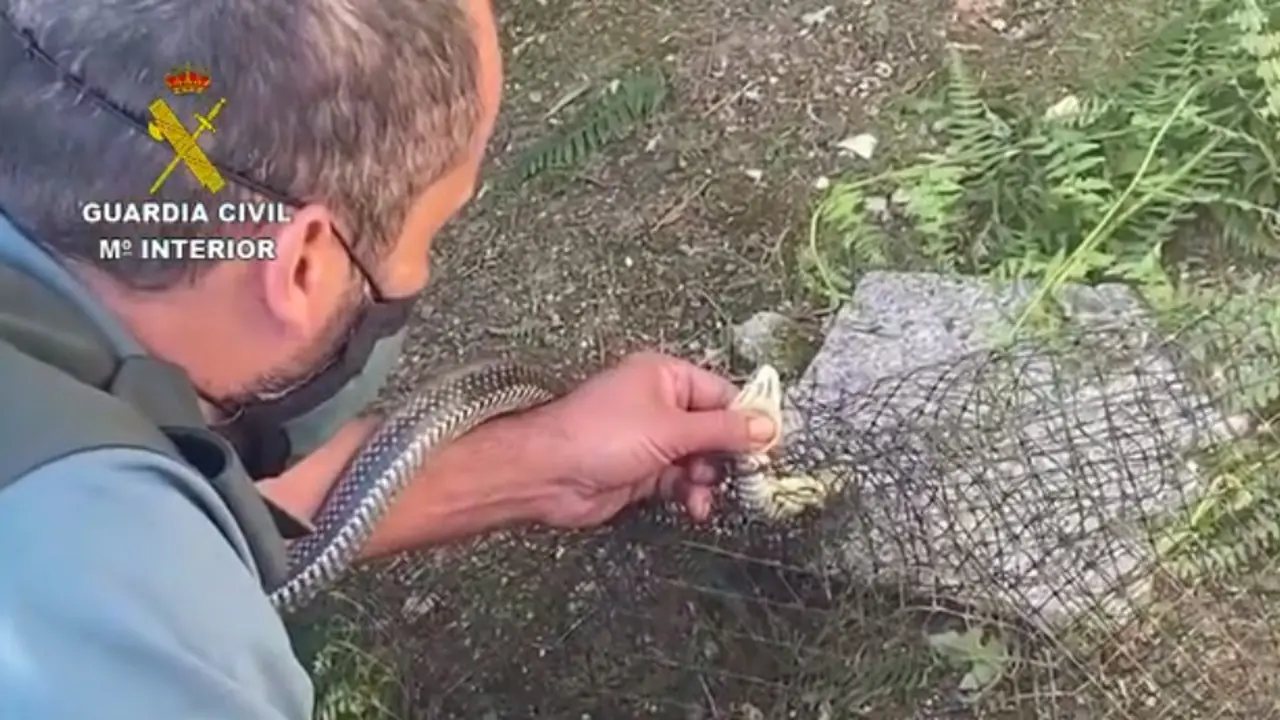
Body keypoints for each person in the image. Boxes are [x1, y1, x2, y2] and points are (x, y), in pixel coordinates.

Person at [0, 0, 779, 717]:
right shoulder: (111, 634)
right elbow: (127, 546)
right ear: (303, 266)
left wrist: (544, 461)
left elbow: (174, 485)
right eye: (431, 231)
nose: (418, 275)